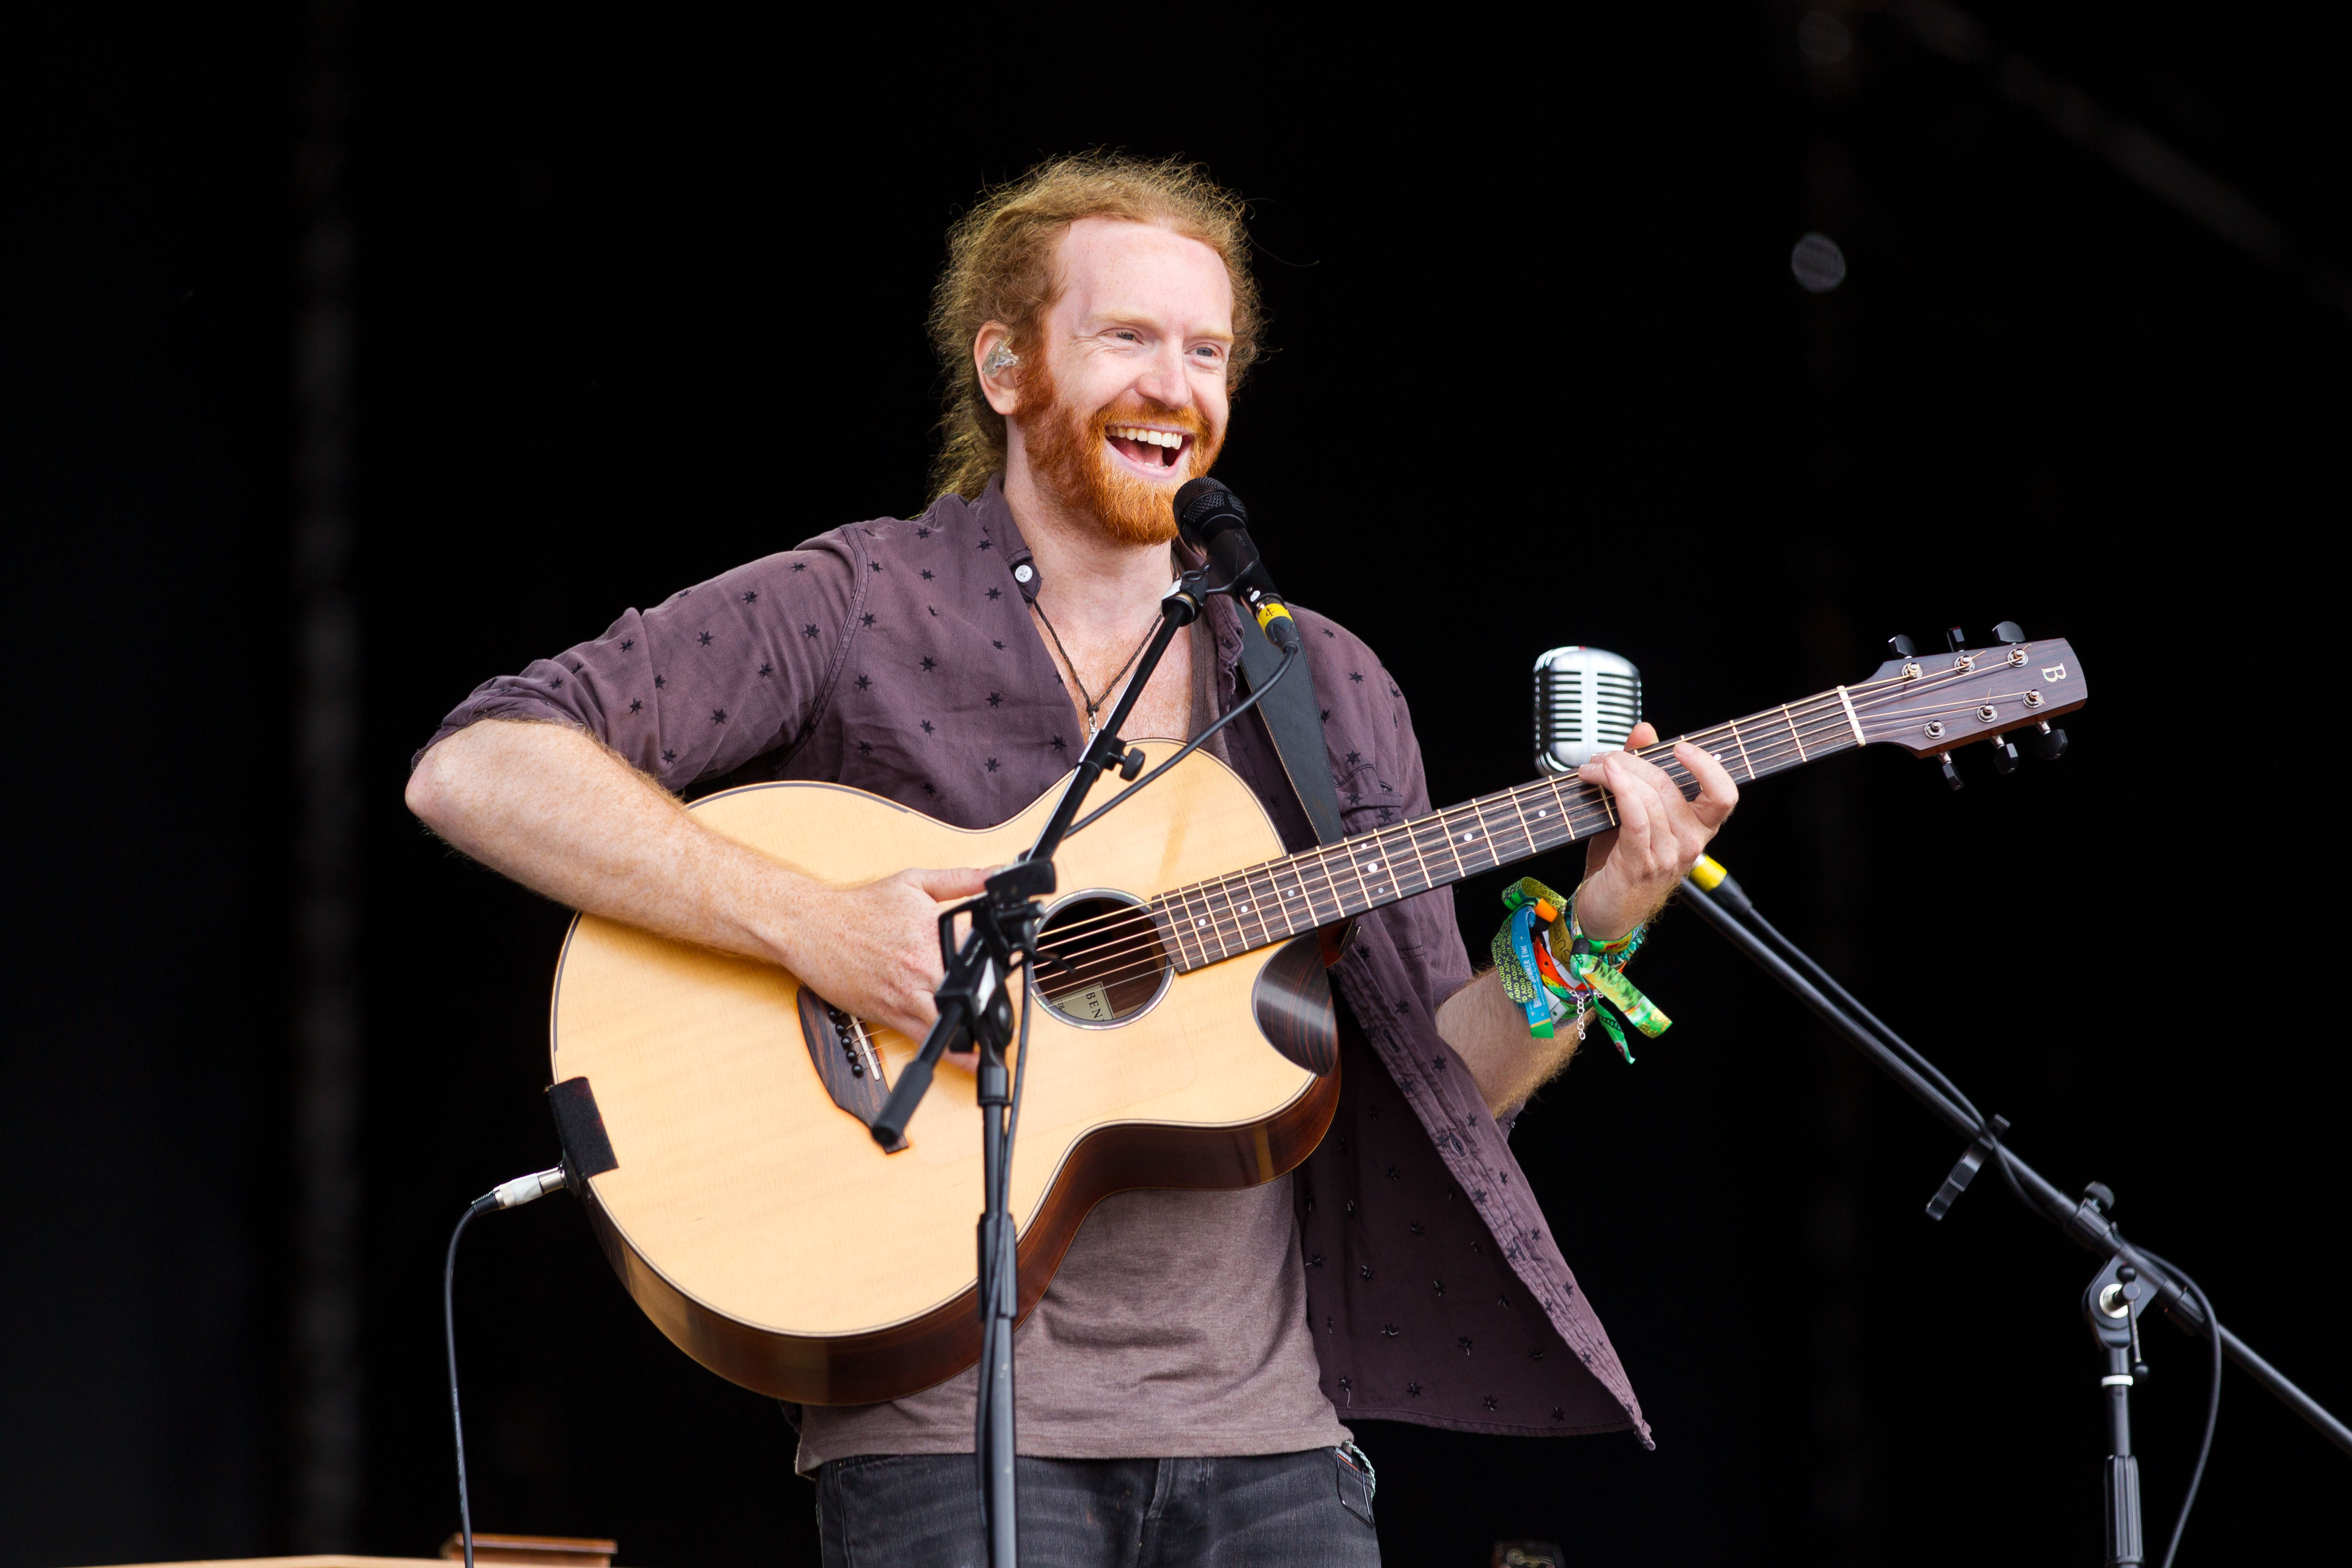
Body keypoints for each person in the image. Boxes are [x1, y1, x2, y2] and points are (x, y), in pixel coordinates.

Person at [406, 153, 1737, 1567]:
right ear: (1005, 367)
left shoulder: (1323, 685)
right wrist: (818, 925)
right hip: (943, 1434)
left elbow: (1441, 1081)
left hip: (1272, 1441)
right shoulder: (859, 601)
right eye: (1129, 339)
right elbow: (480, 767)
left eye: (1210, 351)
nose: (1178, 385)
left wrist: (1597, 927)